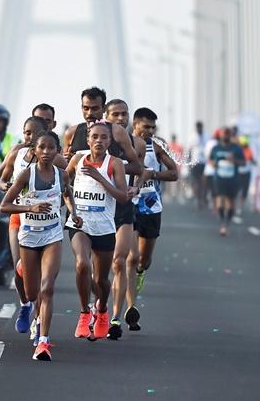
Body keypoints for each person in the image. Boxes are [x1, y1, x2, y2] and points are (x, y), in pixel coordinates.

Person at [0, 131, 78, 361]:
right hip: (29, 237)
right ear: (35, 150)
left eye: (50, 148)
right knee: (32, 292)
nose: (46, 152)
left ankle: (43, 341)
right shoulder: (26, 174)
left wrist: (74, 213)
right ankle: (21, 270)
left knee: (47, 289)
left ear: (57, 151)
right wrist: (29, 209)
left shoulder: (62, 175)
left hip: (52, 236)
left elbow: (67, 195)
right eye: (41, 148)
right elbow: (5, 206)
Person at [65, 120, 130, 341]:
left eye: (104, 137)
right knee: (82, 264)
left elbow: (122, 197)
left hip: (104, 227)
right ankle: (85, 313)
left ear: (110, 141)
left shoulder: (115, 164)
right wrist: (72, 210)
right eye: (95, 137)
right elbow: (63, 185)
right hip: (80, 224)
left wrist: (100, 178)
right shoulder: (77, 159)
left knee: (102, 279)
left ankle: (102, 310)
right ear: (88, 139)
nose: (99, 141)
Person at [128, 108, 178, 330]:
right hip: (129, 207)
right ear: (135, 124)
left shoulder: (156, 147)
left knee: (143, 261)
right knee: (131, 257)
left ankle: (140, 273)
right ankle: (130, 307)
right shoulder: (123, 145)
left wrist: (152, 174)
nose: (148, 131)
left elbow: (174, 173)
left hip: (151, 208)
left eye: (152, 128)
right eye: (145, 127)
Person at [104, 99, 142, 340]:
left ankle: (116, 316)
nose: (121, 118)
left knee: (119, 261)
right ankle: (96, 310)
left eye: (124, 114)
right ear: (107, 116)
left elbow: (140, 170)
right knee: (97, 269)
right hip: (98, 210)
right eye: (115, 114)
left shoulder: (136, 143)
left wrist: (135, 188)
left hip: (124, 208)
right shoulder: (96, 140)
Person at [209, 127, 245, 236]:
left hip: (232, 179)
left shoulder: (236, 148)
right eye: (224, 134)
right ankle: (222, 223)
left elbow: (243, 163)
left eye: (227, 134)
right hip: (218, 178)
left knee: (230, 203)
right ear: (220, 135)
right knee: (219, 202)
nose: (225, 136)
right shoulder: (216, 148)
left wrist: (234, 161)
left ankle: (227, 223)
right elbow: (211, 160)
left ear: (229, 135)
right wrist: (213, 164)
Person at [188, 121, 208, 209]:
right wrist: (188, 163)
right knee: (196, 182)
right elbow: (189, 150)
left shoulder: (207, 136)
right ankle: (198, 199)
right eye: (198, 127)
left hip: (204, 162)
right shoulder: (192, 137)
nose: (199, 129)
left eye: (200, 127)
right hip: (195, 162)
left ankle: (203, 198)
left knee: (203, 182)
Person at [237, 135, 256, 213]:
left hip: (247, 173)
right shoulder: (237, 150)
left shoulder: (249, 150)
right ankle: (237, 205)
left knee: (245, 190)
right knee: (238, 190)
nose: (245, 145)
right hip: (238, 173)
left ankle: (241, 206)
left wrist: (254, 162)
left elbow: (251, 159)